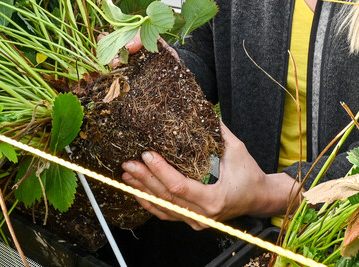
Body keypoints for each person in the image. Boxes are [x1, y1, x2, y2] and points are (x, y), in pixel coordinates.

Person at [120, 0, 359, 230]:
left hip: (341, 234)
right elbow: (207, 58)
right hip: (244, 227)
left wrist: (265, 194)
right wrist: (161, 69)